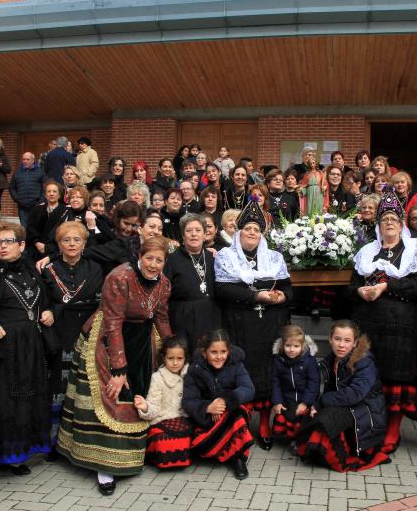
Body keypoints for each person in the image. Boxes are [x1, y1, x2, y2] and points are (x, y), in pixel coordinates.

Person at [56, 236, 172, 494]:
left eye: (159, 260)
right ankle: (103, 466)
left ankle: (131, 456)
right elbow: (113, 322)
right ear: (139, 256)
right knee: (111, 395)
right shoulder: (119, 277)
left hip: (141, 341)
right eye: (149, 258)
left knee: (137, 396)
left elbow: (162, 318)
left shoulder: (164, 283)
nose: (153, 264)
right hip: (108, 339)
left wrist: (173, 350)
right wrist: (119, 369)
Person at [0, 223, 55, 490]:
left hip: (31, 347)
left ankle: (12, 458)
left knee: (24, 402)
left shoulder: (33, 272)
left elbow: (46, 299)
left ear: (21, 245)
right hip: (2, 348)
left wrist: (49, 311)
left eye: (9, 241)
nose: (3, 246)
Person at [350, 188, 417, 451]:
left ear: (401, 224)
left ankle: (393, 428)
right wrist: (359, 290)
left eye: (393, 220)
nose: (389, 224)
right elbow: (353, 285)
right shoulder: (367, 251)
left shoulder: (414, 251)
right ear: (378, 224)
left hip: (401, 325)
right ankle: (371, 422)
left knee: (395, 378)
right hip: (368, 323)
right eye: (384, 220)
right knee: (371, 375)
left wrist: (387, 287)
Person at [214, 199, 292, 450]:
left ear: (262, 234)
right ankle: (242, 422)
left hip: (270, 323)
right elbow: (223, 289)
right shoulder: (226, 256)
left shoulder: (274, 257)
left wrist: (283, 296)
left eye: (256, 229)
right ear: (238, 232)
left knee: (269, 371)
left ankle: (265, 424)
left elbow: (288, 288)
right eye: (247, 228)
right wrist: (254, 296)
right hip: (240, 324)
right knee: (243, 370)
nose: (251, 233)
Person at [41, 222, 105, 460]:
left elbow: (96, 299)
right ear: (59, 244)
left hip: (87, 327)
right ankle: (55, 442)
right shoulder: (49, 270)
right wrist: (56, 308)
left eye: (76, 240)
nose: (71, 244)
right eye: (66, 240)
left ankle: (81, 441)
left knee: (83, 385)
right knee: (59, 385)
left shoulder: (95, 268)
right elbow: (48, 300)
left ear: (84, 243)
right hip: (60, 330)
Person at [294, 320, 389, 472]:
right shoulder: (332, 359)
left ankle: (334, 455)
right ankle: (311, 447)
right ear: (330, 339)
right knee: (310, 412)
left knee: (327, 417)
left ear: (355, 343)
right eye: (337, 339)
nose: (341, 345)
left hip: (364, 411)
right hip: (347, 405)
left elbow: (354, 394)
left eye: (347, 340)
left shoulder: (364, 361)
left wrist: (321, 402)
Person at [182, 330, 255, 479]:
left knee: (237, 414)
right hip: (208, 417)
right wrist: (208, 407)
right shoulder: (195, 370)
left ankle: (238, 457)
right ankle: (217, 448)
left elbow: (248, 389)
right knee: (200, 445)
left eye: (223, 351)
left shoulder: (236, 365)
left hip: (231, 411)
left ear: (229, 351)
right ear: (204, 352)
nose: (219, 356)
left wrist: (224, 401)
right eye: (213, 352)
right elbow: (188, 401)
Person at [163, 213, 221, 352]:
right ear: (183, 235)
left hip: (211, 315)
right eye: (189, 231)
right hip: (183, 317)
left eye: (198, 230)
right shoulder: (172, 259)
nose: (194, 234)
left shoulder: (213, 257)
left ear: (204, 234)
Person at [133, 337, 192, 469]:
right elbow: (154, 405)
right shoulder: (158, 378)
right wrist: (146, 407)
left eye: (179, 359)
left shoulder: (190, 375)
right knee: (165, 442)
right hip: (162, 420)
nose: (175, 363)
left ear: (185, 358)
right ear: (164, 358)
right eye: (170, 358)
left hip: (184, 419)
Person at [270, 325, 319, 442]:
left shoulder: (309, 360)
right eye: (288, 346)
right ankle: (289, 436)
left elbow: (314, 382)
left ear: (302, 346)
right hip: (286, 398)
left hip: (304, 398)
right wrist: (277, 401)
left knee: (302, 421)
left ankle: (299, 439)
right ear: (282, 345)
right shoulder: (278, 360)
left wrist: (305, 403)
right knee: (282, 420)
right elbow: (275, 381)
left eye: (296, 346)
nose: (291, 350)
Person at [25, 181, 62, 260]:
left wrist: (49, 247)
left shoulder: (65, 210)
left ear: (59, 195)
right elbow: (30, 229)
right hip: (37, 249)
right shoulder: (36, 209)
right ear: (45, 195)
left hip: (56, 251)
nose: (51, 194)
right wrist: (37, 242)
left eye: (54, 191)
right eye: (49, 191)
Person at [9, 152, 46, 226]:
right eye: (24, 159)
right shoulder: (17, 173)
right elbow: (12, 187)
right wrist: (17, 199)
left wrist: (41, 201)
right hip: (22, 206)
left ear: (33, 160)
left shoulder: (40, 172)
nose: (25, 161)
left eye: (27, 159)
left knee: (36, 228)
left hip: (36, 206)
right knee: (24, 229)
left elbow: (45, 187)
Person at [298, 147, 327, 216]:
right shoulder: (307, 174)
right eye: (311, 163)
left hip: (319, 191)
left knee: (319, 205)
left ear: (316, 163)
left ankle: (319, 219)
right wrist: (302, 190)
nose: (312, 164)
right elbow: (304, 185)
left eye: (313, 163)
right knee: (310, 207)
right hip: (310, 192)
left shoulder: (320, 173)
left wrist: (324, 187)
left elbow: (325, 183)